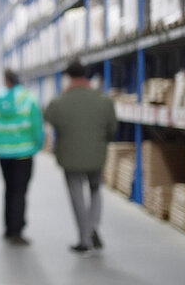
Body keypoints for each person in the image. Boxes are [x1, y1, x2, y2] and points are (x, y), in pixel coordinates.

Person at [44, 60, 117, 255]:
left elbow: (49, 119)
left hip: (70, 156)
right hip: (96, 155)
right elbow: (112, 129)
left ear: (67, 76)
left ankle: (84, 238)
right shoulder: (103, 101)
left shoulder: (59, 103)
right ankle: (93, 226)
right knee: (95, 189)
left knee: (76, 194)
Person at [0, 69, 44, 245]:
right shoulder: (28, 98)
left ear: (6, 81)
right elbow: (37, 126)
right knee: (20, 191)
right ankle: (17, 232)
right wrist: (36, 146)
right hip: (24, 152)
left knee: (9, 189)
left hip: (3, 153)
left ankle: (8, 228)